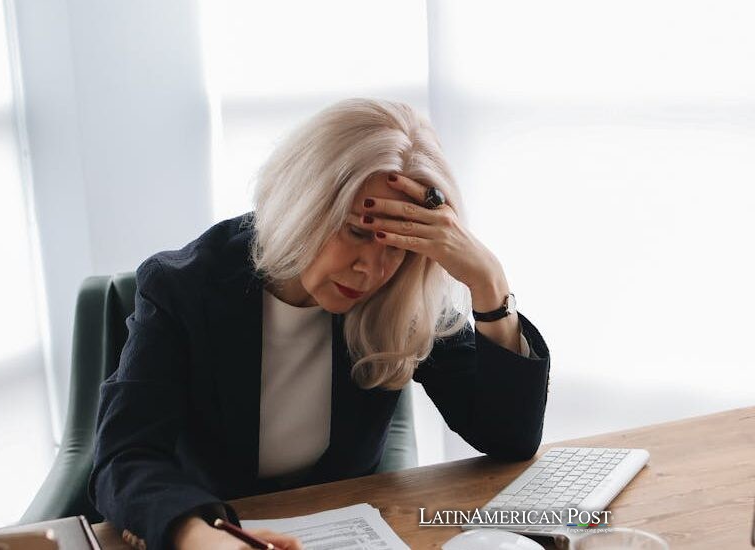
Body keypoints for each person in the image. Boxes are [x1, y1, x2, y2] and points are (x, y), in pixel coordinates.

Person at [88, 98, 551, 550]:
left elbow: (509, 438)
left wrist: (488, 285)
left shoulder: (399, 294)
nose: (370, 269)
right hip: (221, 527)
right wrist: (200, 535)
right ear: (305, 202)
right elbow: (124, 457)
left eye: (399, 244)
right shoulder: (183, 287)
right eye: (357, 231)